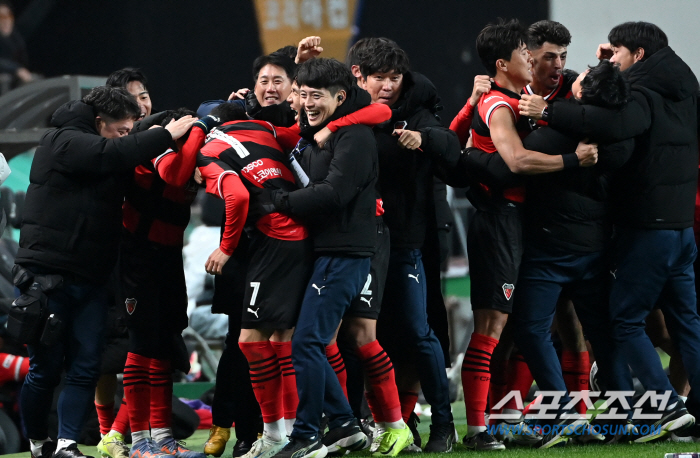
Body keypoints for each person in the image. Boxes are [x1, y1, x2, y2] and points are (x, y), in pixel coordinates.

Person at [520, 21, 700, 442]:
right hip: (679, 229)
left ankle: (666, 406)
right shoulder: (684, 87)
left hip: (643, 231)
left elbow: (613, 124)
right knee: (687, 324)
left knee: (622, 322)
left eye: (616, 51)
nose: (608, 57)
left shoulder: (636, 99)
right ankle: (647, 415)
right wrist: (607, 71)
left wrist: (546, 110)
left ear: (637, 55)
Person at [15, 86, 194, 458]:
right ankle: (37, 443)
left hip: (92, 277)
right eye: (122, 129)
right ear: (99, 122)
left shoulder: (110, 148)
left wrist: (161, 125)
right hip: (47, 275)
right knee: (45, 370)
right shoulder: (61, 140)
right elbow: (111, 152)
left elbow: (123, 152)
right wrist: (163, 133)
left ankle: (66, 444)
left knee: (87, 365)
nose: (126, 137)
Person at [454, 19, 597, 451]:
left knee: (517, 324)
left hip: (517, 220)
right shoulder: (498, 104)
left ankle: (512, 418)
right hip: (498, 219)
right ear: (504, 62)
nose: (532, 59)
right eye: (526, 54)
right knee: (491, 325)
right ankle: (479, 429)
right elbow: (516, 161)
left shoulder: (519, 99)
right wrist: (575, 161)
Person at [354, 39, 461, 453]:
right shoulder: (347, 109)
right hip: (356, 243)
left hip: (405, 242)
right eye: (378, 77)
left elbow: (450, 145)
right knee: (358, 336)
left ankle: (443, 423)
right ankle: (372, 421)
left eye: (393, 77)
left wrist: (424, 140)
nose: (387, 85)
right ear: (360, 75)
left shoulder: (418, 107)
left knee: (419, 331)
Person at [95, 67, 157, 458]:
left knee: (148, 344)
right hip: (112, 259)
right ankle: (109, 434)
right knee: (106, 354)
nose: (143, 104)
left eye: (146, 95)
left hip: (152, 256)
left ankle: (118, 434)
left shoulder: (163, 139)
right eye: (134, 99)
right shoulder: (107, 150)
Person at [0, 0, 32, 88]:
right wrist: (16, 69)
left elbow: (23, 62)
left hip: (14, 77)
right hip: (4, 77)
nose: (6, 20)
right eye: (1, 17)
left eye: (9, 16)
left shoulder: (15, 38)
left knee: (36, 79)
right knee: (4, 80)